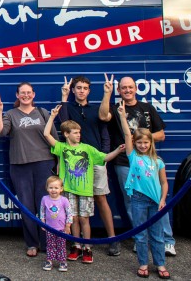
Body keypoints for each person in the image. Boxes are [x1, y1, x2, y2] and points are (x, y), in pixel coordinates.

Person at [99, 74, 177, 256]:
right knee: (132, 202)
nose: (127, 90)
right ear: (119, 91)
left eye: (130, 87)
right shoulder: (115, 108)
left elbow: (161, 135)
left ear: (135, 89)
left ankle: (167, 240)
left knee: (157, 200)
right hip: (125, 163)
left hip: (149, 162)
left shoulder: (147, 108)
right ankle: (141, 239)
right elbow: (103, 116)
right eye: (123, 88)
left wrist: (136, 138)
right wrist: (107, 93)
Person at [43, 105, 123, 264]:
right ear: (66, 134)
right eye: (75, 133)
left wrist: (118, 151)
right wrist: (52, 117)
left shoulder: (88, 149)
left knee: (85, 219)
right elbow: (46, 134)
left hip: (86, 191)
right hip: (69, 190)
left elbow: (105, 158)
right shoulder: (62, 148)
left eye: (79, 132)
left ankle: (87, 247)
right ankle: (76, 245)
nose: (79, 135)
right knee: (74, 219)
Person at [59, 76, 121, 256]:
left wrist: (104, 156)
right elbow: (63, 124)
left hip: (95, 161)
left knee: (101, 198)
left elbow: (105, 132)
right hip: (74, 163)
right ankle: (77, 243)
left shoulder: (96, 109)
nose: (81, 91)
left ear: (89, 91)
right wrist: (63, 98)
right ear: (73, 90)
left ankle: (112, 239)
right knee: (75, 204)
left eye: (85, 88)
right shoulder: (68, 108)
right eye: (78, 88)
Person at [0, 82, 56, 257]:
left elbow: (54, 138)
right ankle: (32, 243)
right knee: (27, 206)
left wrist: (58, 162)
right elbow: (1, 132)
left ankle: (48, 242)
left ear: (34, 95)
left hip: (44, 163)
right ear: (17, 95)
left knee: (46, 204)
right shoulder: (11, 114)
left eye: (29, 92)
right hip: (20, 165)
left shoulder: (43, 113)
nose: (26, 95)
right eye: (23, 93)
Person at [117, 102, 171, 279]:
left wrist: (163, 199)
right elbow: (127, 133)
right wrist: (123, 117)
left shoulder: (159, 161)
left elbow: (164, 183)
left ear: (151, 143)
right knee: (140, 235)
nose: (142, 145)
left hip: (156, 201)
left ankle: (160, 264)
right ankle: (143, 263)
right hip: (138, 200)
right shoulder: (133, 157)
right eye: (139, 142)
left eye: (146, 142)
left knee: (157, 235)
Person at [40, 176, 73, 272]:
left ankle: (62, 262)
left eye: (56, 188)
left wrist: (68, 225)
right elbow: (42, 211)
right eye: (50, 187)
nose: (53, 190)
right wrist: (42, 222)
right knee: (50, 245)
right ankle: (49, 261)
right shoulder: (44, 199)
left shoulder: (64, 200)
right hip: (49, 228)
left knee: (61, 245)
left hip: (61, 228)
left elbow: (69, 213)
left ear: (61, 189)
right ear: (47, 188)